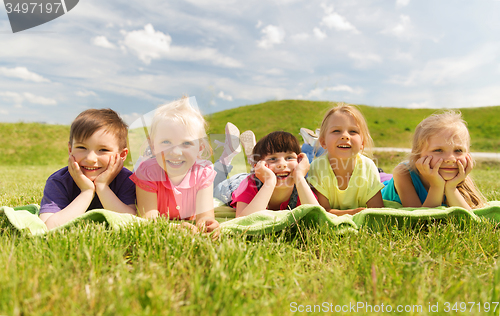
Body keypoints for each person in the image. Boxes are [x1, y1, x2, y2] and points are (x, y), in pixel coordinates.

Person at [130, 97, 219, 232]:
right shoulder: (147, 171)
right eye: (166, 142)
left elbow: (204, 216)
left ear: (200, 148)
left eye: (186, 143)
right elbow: (148, 218)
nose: (176, 152)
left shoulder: (203, 172)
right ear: (153, 146)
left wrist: (208, 225)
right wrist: (173, 228)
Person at [39, 109, 136, 229]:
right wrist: (86, 191)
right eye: (81, 147)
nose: (90, 158)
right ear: (70, 150)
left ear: (122, 155)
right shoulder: (59, 181)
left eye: (103, 150)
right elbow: (48, 227)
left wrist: (102, 187)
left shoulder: (127, 180)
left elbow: (131, 223)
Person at [381, 111, 486, 210]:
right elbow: (420, 221)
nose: (451, 159)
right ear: (418, 155)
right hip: (381, 182)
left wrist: (451, 187)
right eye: (438, 150)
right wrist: (437, 186)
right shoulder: (403, 173)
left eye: (458, 150)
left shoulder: (460, 176)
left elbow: (467, 218)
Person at [216, 131, 319, 218]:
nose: (282, 164)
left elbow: (318, 216)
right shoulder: (250, 184)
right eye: (273, 159)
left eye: (289, 158)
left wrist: (300, 177)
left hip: (261, 173)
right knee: (213, 184)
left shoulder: (300, 187)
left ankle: (252, 159)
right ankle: (226, 156)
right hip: (233, 185)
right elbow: (244, 222)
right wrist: (269, 182)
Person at [307, 103, 384, 216]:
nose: (345, 136)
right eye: (336, 131)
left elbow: (378, 211)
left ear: (362, 143)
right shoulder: (317, 167)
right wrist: (354, 213)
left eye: (353, 131)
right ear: (323, 142)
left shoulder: (368, 166)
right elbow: (321, 212)